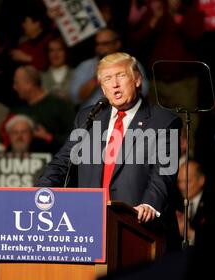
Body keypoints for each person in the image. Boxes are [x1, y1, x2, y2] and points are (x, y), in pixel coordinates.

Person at [37, 52, 183, 251]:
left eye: (120, 76)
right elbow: (64, 160)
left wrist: (150, 204)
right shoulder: (88, 117)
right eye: (107, 79)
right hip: (89, 225)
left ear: (137, 79)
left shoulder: (164, 121)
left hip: (140, 227)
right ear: (102, 88)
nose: (114, 84)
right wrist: (40, 191)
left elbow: (164, 171)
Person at [69, 28, 149, 110]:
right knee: (97, 122)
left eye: (105, 44)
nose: (100, 48)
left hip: (126, 115)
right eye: (97, 44)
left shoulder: (131, 63)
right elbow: (75, 98)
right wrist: (97, 77)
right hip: (95, 116)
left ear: (117, 44)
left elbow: (144, 92)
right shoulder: (85, 66)